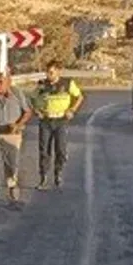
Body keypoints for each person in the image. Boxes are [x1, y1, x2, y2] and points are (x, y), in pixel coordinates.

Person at [0, 71, 33, 207]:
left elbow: (27, 112)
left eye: (1, 82)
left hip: (12, 137)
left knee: (12, 166)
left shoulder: (17, 94)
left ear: (8, 82)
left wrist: (18, 125)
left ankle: (13, 191)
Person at [33, 60, 85, 190]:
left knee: (60, 149)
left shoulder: (67, 83)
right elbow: (33, 99)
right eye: (47, 72)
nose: (48, 75)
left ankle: (58, 172)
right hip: (46, 120)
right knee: (44, 150)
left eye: (51, 72)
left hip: (61, 121)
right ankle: (43, 177)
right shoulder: (42, 85)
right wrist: (37, 111)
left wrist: (72, 110)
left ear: (58, 72)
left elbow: (79, 97)